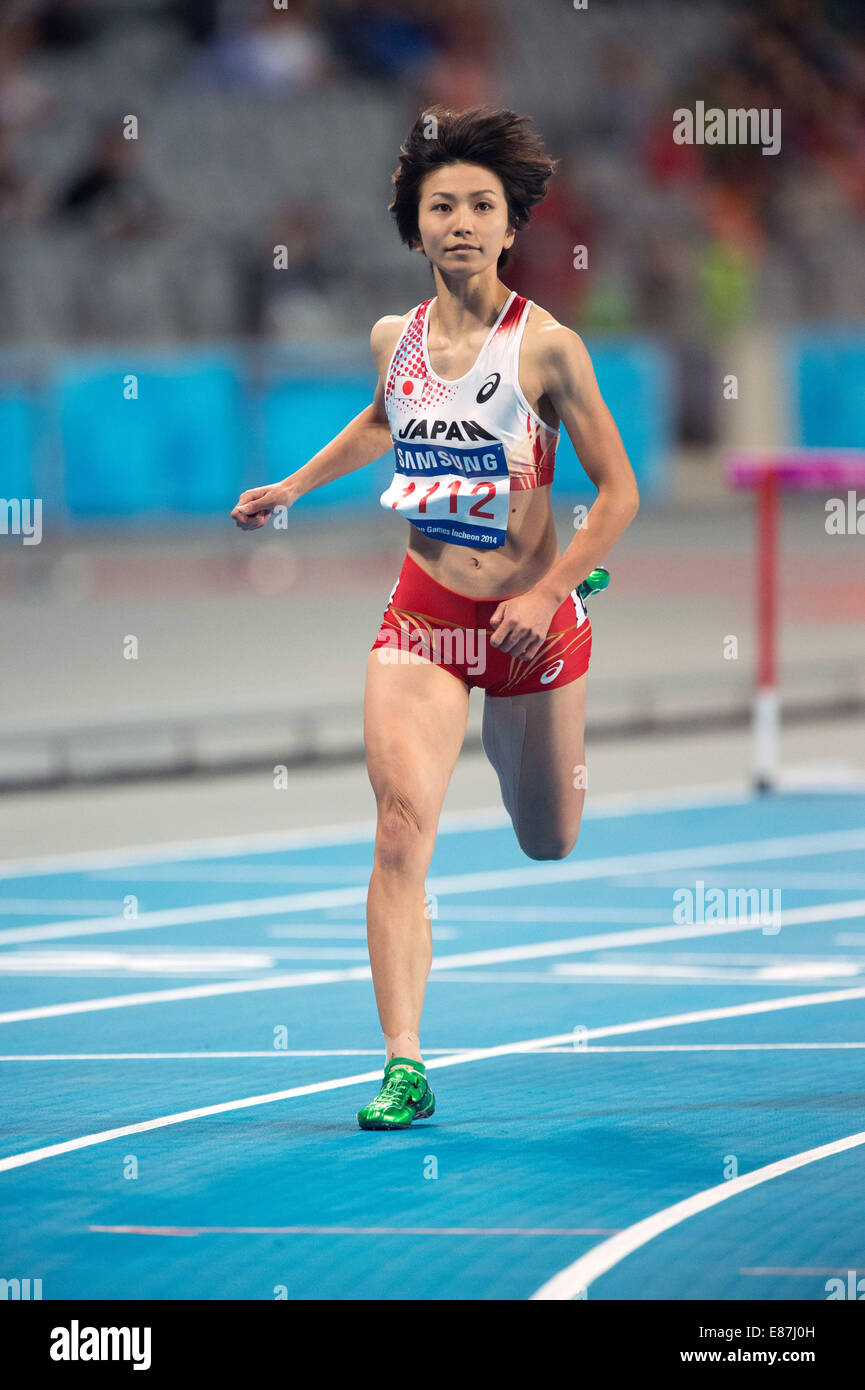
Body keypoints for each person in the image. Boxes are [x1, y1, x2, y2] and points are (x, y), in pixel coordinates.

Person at [231, 106, 639, 1131]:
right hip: (424, 617)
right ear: (413, 226)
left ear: (511, 228)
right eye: (440, 206)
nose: (460, 221)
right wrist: (294, 482)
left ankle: (513, 726)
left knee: (546, 837)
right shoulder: (392, 337)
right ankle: (403, 1062)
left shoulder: (547, 350)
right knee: (401, 825)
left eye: (480, 207)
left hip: (531, 623)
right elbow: (383, 417)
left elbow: (620, 491)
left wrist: (550, 590)